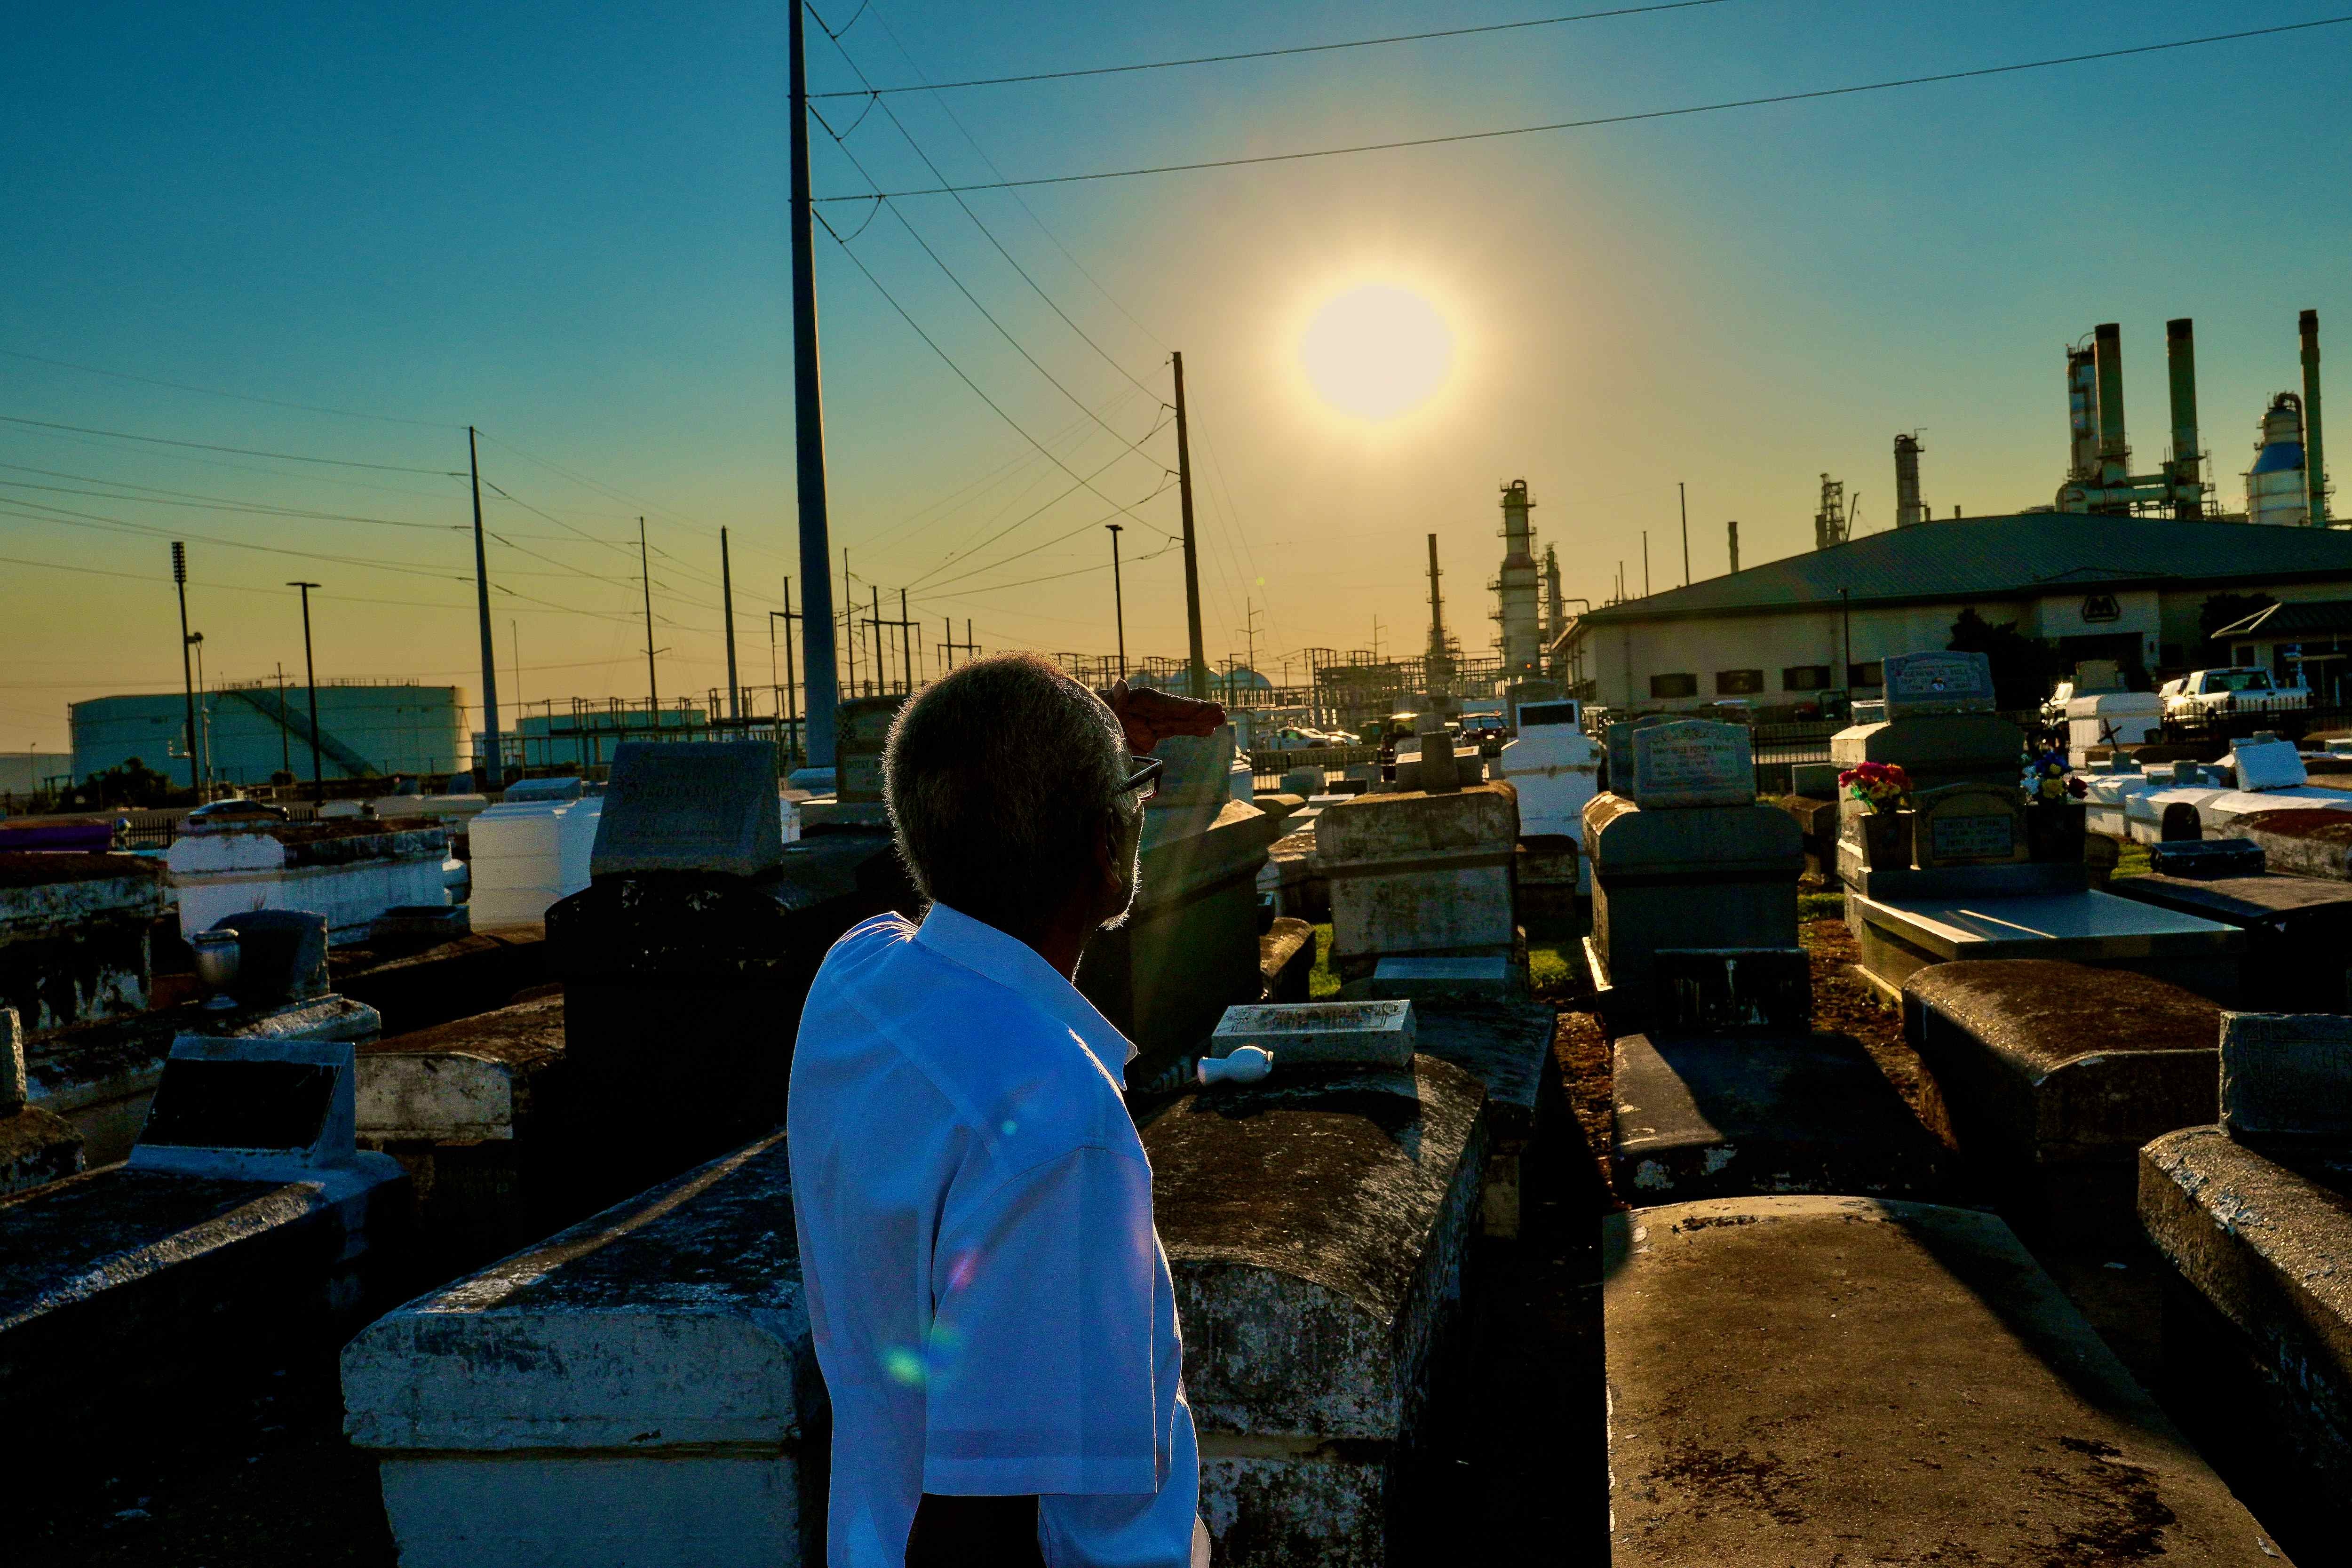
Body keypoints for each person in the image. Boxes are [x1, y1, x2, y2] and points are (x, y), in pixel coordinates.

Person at [788, 656, 1224, 1568]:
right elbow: (977, 1528)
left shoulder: (857, 980)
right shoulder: (1061, 1133)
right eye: (1133, 796)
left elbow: (970, 770)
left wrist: (1079, 740)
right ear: (1106, 847)